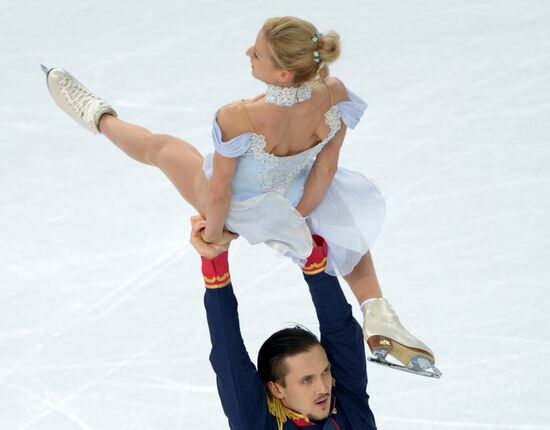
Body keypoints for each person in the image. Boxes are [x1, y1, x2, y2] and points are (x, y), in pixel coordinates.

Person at [41, 16, 439, 376]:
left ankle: (96, 113)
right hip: (302, 192)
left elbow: (219, 191)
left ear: (283, 74)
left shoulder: (239, 116)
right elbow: (327, 168)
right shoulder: (335, 94)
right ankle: (378, 312)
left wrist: (213, 236)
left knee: (162, 149)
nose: (248, 53)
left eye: (258, 53)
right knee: (342, 227)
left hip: (243, 207)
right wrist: (298, 215)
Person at [189, 215, 377, 429]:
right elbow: (229, 358)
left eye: (325, 372)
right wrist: (215, 261)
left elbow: (340, 329)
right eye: (306, 380)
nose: (323, 387)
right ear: (277, 389)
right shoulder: (259, 424)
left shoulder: (347, 402)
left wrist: (311, 256)